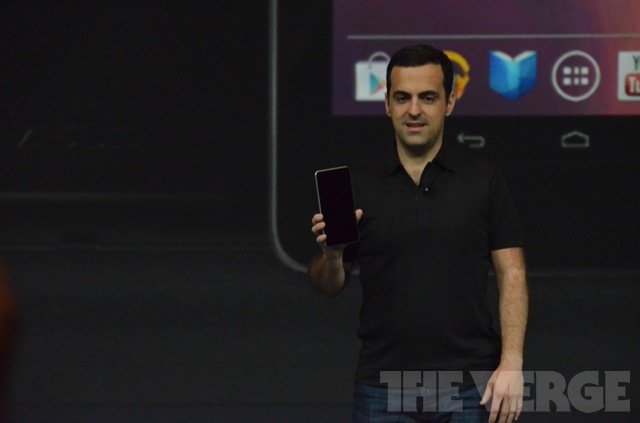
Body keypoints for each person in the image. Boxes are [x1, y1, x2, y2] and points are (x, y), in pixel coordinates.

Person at [308, 44, 528, 423]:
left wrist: (511, 363)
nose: (414, 110)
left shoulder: (484, 179)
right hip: (382, 385)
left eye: (427, 97)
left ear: (449, 102)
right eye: (402, 98)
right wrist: (332, 256)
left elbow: (513, 273)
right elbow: (327, 286)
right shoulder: (354, 186)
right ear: (387, 104)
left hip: (469, 383)